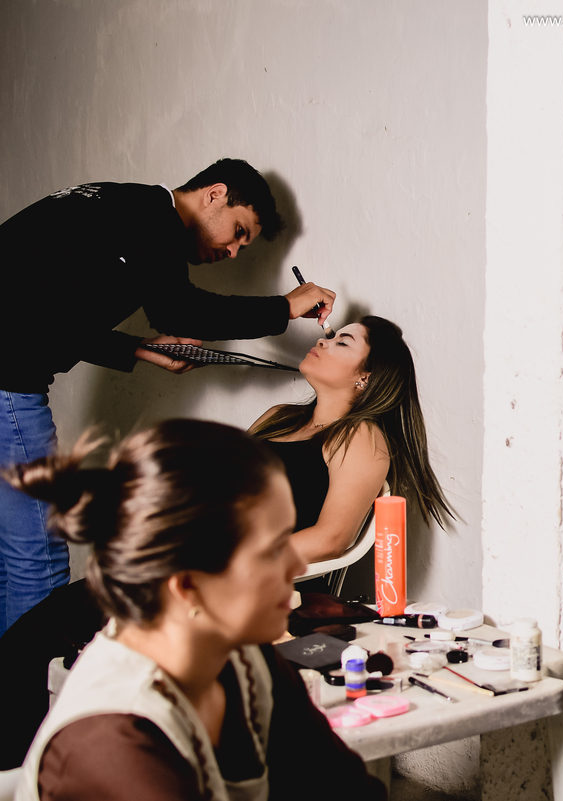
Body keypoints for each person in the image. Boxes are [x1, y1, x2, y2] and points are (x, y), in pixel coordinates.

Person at [0, 157, 338, 634]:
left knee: (9, 562)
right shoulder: (152, 217)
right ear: (214, 194)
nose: (236, 251)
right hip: (8, 385)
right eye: (239, 231)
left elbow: (44, 312)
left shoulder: (121, 207)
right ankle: (33, 702)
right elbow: (182, 310)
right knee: (37, 558)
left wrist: (138, 349)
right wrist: (285, 307)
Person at [6, 420, 386, 800]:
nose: (297, 566)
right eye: (271, 550)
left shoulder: (247, 660)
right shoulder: (113, 746)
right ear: (187, 586)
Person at [249, 315, 453, 564]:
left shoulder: (359, 437)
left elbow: (331, 540)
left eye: (342, 343)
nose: (322, 342)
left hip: (263, 582)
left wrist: (234, 562)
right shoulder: (278, 416)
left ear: (365, 377)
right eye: (330, 338)